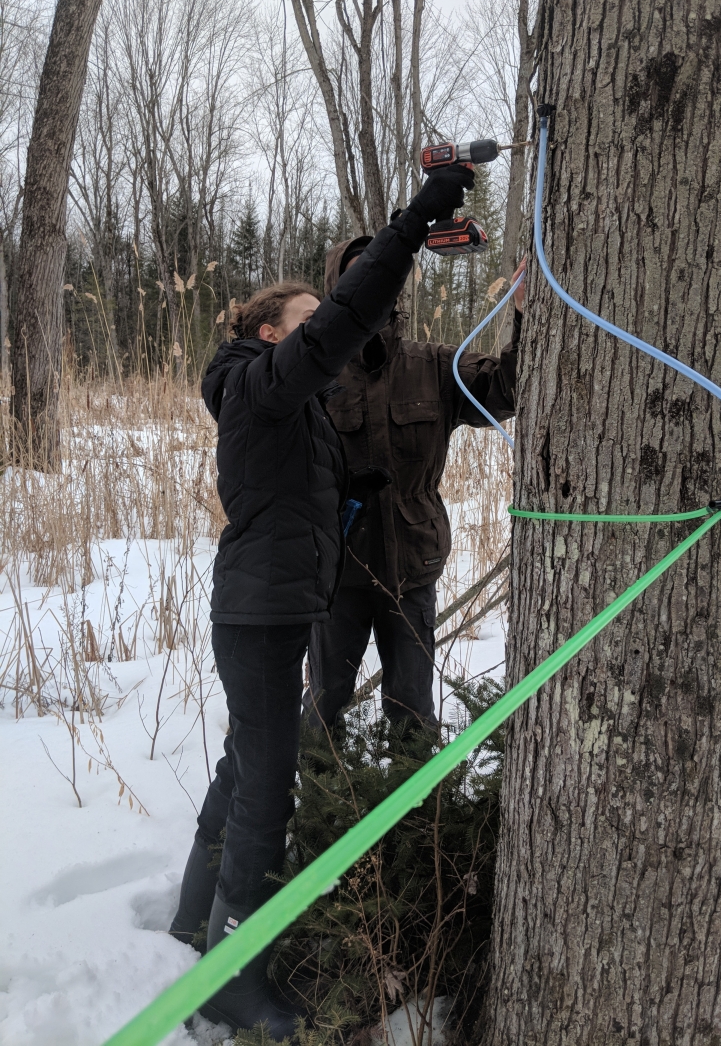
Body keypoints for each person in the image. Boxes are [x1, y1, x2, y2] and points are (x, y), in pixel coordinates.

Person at [167, 162, 475, 1038]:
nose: (327, 338)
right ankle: (234, 972)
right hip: (260, 616)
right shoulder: (259, 383)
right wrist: (417, 220)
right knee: (269, 789)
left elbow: (299, 485)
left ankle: (195, 918)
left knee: (245, 761)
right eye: (307, 323)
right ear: (270, 331)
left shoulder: (283, 405)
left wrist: (358, 485)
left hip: (273, 607)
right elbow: (344, 319)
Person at [303, 240, 525, 738]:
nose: (371, 287)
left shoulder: (437, 366)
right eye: (358, 277)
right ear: (337, 289)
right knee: (325, 697)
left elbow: (506, 390)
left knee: (412, 705)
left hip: (412, 566)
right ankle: (315, 797)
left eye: (382, 275)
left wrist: (523, 315)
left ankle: (415, 806)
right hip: (337, 569)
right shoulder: (312, 373)